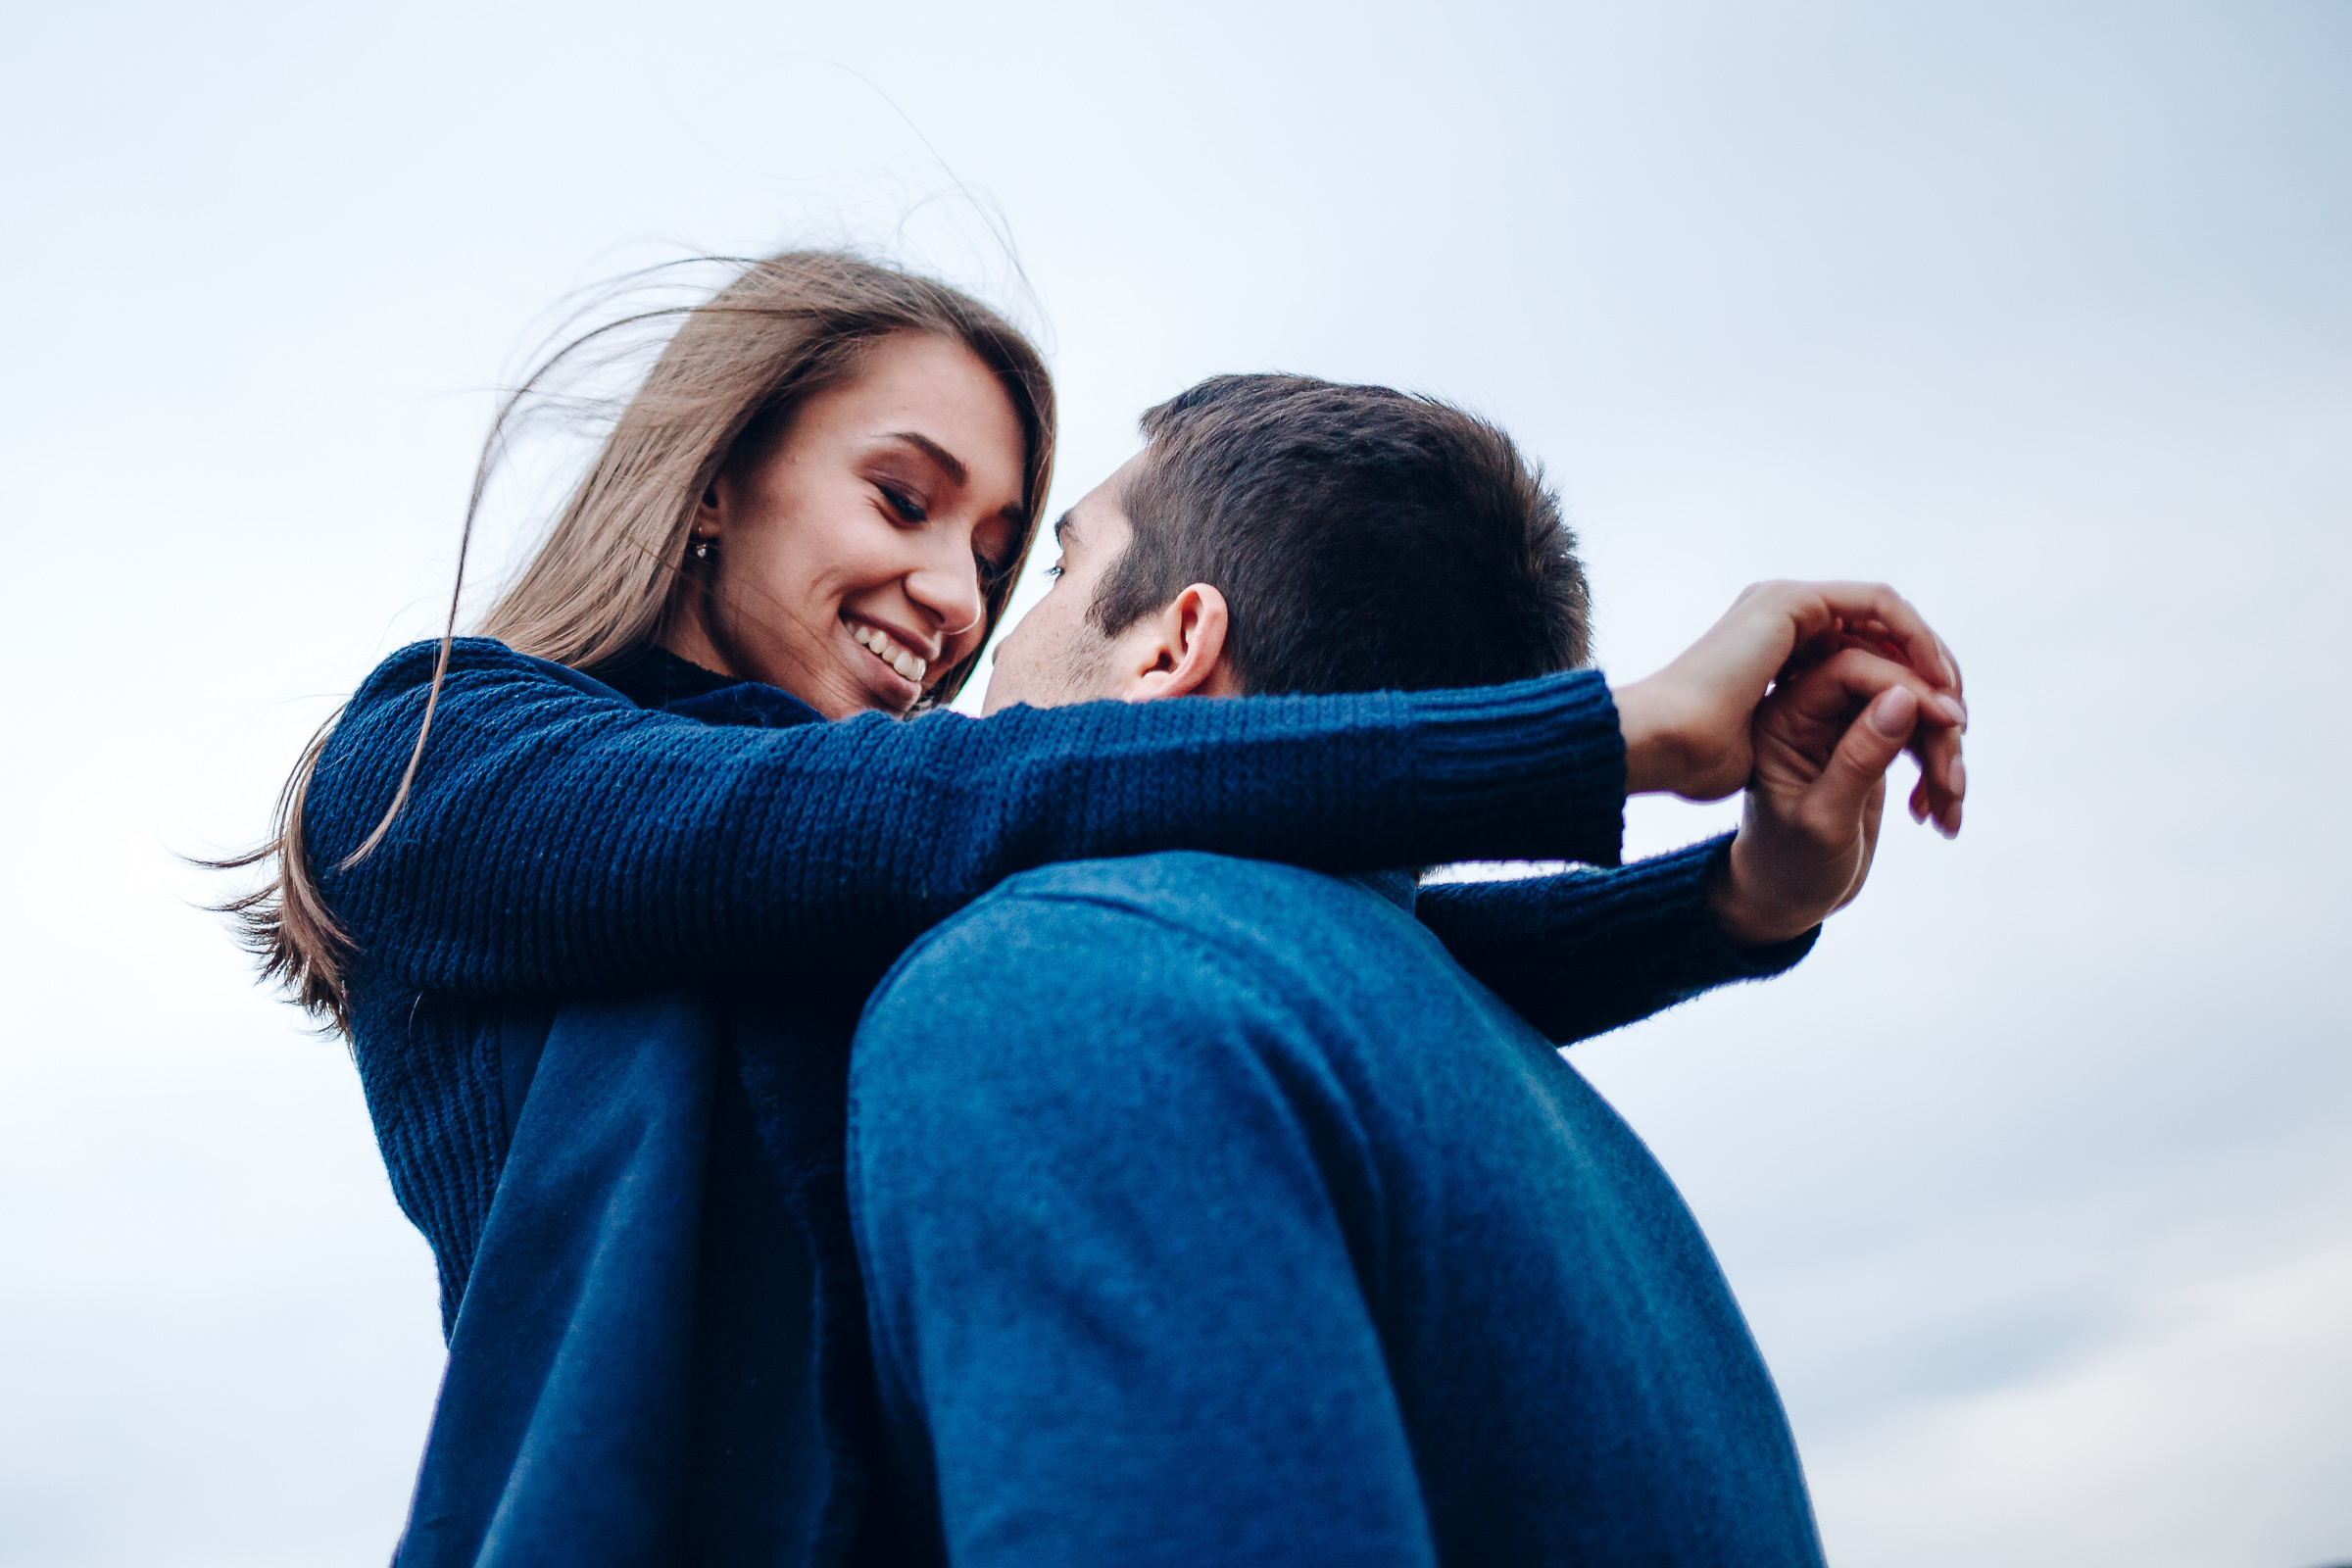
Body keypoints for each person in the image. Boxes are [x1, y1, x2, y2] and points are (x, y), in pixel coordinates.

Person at [221, 252, 1965, 1567]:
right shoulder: (448, 756)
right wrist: (1611, 736)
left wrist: (1741, 898)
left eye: (1000, 554)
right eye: (904, 500)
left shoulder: (944, 895)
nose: (952, 594)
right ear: (712, 478)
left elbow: (1283, 969)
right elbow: (944, 814)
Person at [849, 374, 1965, 1565]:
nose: (980, 633)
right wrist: (1740, 902)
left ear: (1175, 644)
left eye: (1060, 569)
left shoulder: (1061, 990)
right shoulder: (1551, 1121)